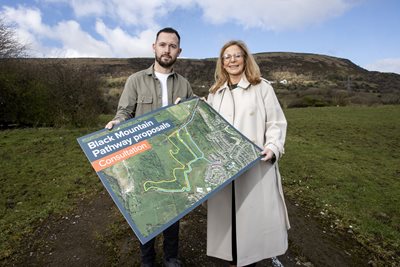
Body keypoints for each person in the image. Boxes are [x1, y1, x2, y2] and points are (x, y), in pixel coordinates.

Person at [105, 27, 193, 267]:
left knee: (173, 206)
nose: (167, 50)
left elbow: (192, 114)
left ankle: (171, 257)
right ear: (154, 47)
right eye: (163, 44)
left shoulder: (184, 84)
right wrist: (117, 123)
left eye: (172, 46)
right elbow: (124, 112)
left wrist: (194, 106)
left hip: (173, 156)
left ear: (179, 51)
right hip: (143, 156)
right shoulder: (135, 80)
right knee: (146, 209)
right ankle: (147, 259)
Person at [206, 40, 290, 267]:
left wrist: (273, 147)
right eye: (227, 57)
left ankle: (249, 261)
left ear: (245, 59)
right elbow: (207, 123)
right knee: (228, 223)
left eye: (237, 56)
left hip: (254, 167)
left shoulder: (262, 87)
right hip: (224, 168)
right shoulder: (215, 93)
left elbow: (276, 123)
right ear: (221, 63)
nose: (232, 61)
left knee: (250, 225)